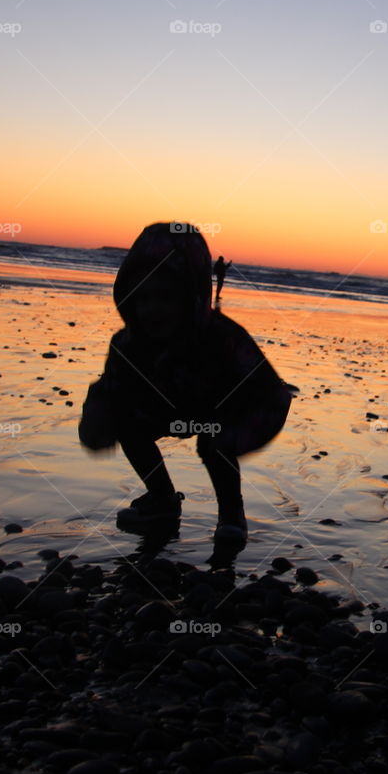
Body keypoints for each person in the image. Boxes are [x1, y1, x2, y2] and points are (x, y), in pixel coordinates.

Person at [78, 223, 292, 543]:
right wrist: (98, 417)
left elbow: (263, 389)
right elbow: (111, 389)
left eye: (166, 297)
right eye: (143, 297)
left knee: (213, 442)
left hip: (237, 408)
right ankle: (162, 501)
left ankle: (232, 516)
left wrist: (234, 426)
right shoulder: (127, 344)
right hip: (172, 405)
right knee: (127, 422)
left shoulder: (221, 337)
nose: (153, 309)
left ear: (190, 296)